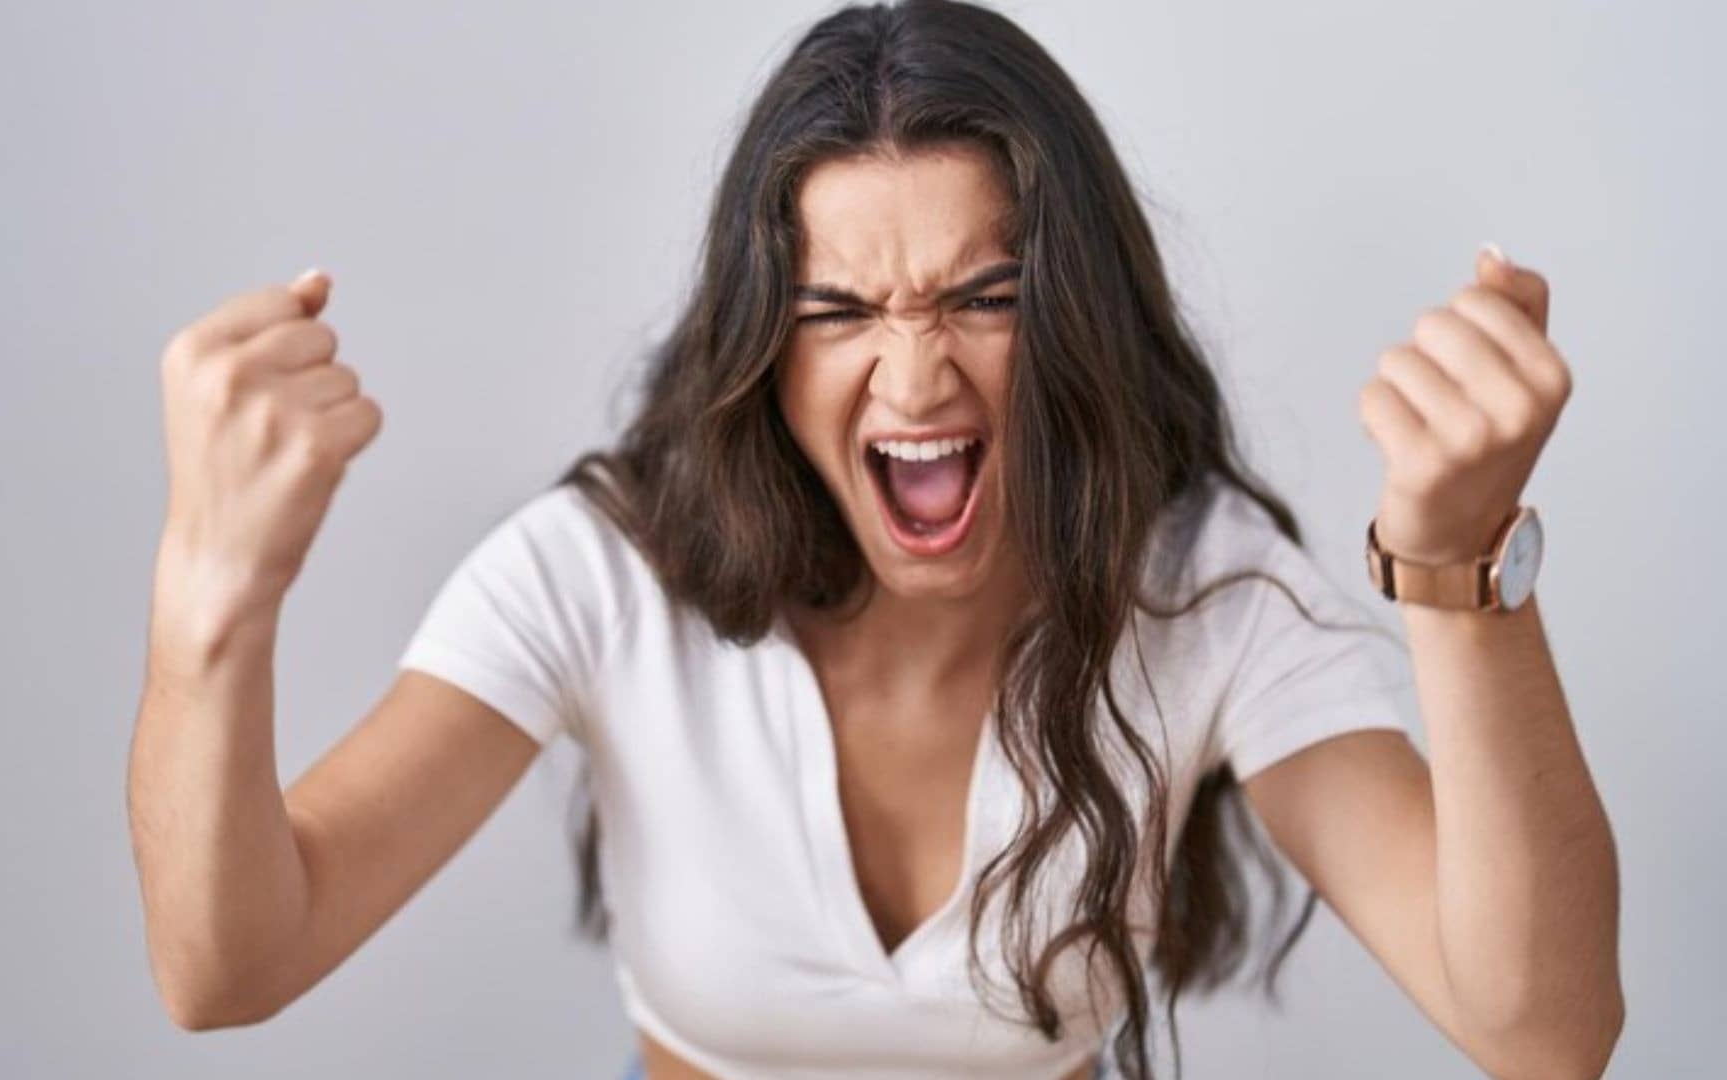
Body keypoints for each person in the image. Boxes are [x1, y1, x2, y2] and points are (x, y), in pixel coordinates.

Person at [126, 1, 1624, 1077]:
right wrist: (214, 592)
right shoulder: (600, 575)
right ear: (759, 348)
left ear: (1081, 319)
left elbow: (1543, 1032)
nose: (914, 380)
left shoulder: (1201, 588)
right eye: (837, 310)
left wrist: (1461, 570)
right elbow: (228, 965)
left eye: (986, 298)